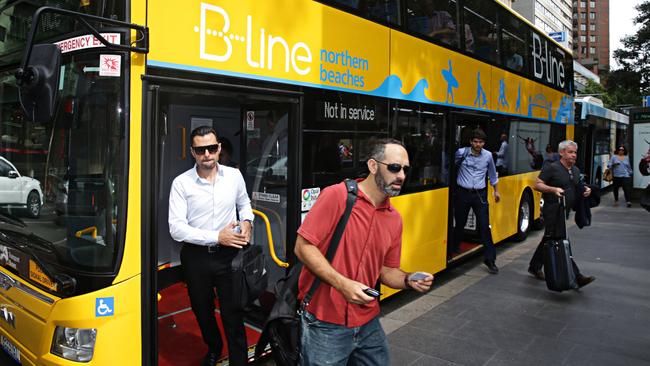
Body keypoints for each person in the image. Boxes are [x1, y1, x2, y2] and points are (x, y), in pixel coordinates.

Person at [294, 138, 434, 365]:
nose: (401, 176)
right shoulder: (337, 196)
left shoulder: (394, 219)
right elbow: (302, 247)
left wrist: (409, 280)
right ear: (373, 166)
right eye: (395, 168)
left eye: (406, 170)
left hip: (368, 321)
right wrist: (343, 284)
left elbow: (387, 271)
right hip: (325, 322)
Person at [168, 126, 254, 366]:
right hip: (196, 258)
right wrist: (217, 237)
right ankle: (214, 347)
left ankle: (239, 361)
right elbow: (176, 228)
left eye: (211, 148)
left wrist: (247, 221)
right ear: (193, 152)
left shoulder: (234, 176)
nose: (207, 154)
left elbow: (244, 203)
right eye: (200, 149)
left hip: (230, 256)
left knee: (233, 313)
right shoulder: (181, 184)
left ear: (219, 149)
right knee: (202, 311)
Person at [527, 140, 596, 288]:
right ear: (562, 153)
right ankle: (577, 277)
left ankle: (534, 266)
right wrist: (553, 190)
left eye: (575, 152)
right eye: (570, 152)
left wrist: (587, 189)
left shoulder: (576, 170)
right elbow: (537, 184)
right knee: (562, 241)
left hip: (565, 212)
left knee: (549, 238)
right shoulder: (552, 168)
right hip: (552, 211)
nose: (573, 155)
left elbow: (578, 185)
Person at [450, 129, 501, 273]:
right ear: (471, 141)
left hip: (480, 195)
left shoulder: (488, 156)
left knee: (485, 226)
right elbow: (450, 167)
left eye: (481, 142)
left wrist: (496, 191)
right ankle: (454, 248)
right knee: (460, 222)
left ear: (484, 143)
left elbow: (492, 173)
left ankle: (490, 260)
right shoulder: (461, 153)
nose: (478, 144)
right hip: (462, 193)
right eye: (476, 141)